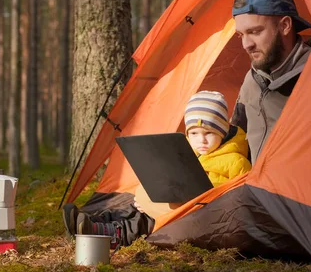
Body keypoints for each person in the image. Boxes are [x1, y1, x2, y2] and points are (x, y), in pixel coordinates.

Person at [62, 91, 251, 247]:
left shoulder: (235, 161)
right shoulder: (187, 154)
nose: (201, 140)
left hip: (202, 214)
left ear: (223, 131)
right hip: (178, 204)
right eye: (193, 133)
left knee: (146, 219)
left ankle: (110, 234)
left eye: (209, 133)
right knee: (137, 206)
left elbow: (236, 201)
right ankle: (94, 223)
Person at [230, 0, 311, 162]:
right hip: (253, 187)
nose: (246, 45)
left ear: (285, 26)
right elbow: (237, 142)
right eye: (241, 35)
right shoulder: (251, 80)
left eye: (254, 32)